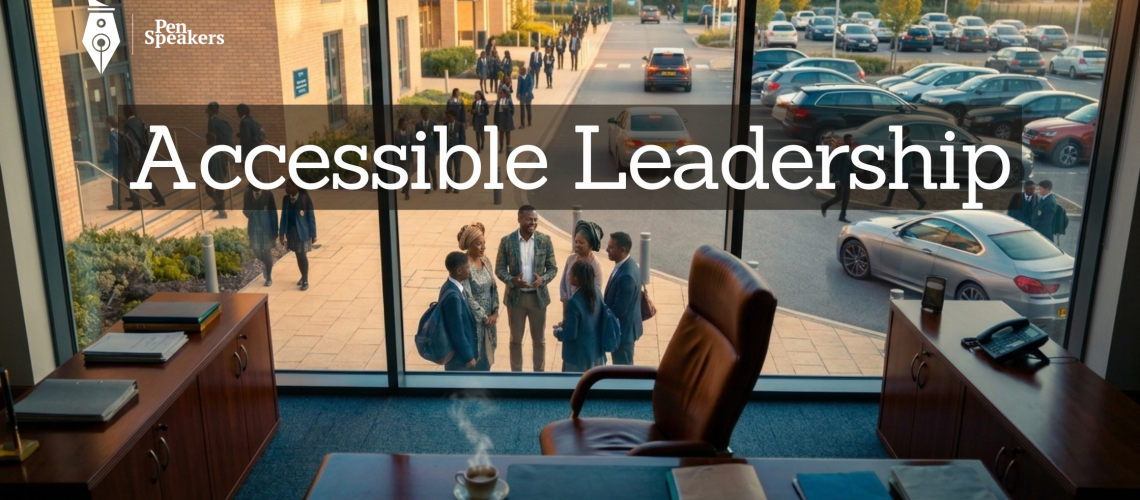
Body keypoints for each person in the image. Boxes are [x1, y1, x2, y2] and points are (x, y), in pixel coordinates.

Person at [495, 205, 558, 372]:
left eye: (535, 220)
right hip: (516, 299)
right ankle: (516, 375)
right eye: (529, 219)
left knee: (539, 340)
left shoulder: (545, 240)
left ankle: (539, 374)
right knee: (515, 340)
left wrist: (543, 279)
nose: (533, 223)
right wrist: (512, 281)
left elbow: (553, 268)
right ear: (519, 219)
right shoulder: (506, 241)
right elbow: (499, 269)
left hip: (538, 299)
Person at [554, 261, 608, 372]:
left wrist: (558, 332)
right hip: (596, 353)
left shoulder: (574, 302)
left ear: (577, 278)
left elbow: (570, 334)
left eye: (571, 274)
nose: (569, 276)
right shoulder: (597, 292)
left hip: (577, 358)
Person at [458, 223, 498, 371]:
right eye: (478, 244)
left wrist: (495, 311)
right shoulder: (464, 265)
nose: (483, 247)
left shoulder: (485, 260)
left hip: (489, 319)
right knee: (475, 358)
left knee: (487, 358)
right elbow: (467, 296)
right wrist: (484, 317)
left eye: (484, 243)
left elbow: (493, 287)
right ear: (469, 245)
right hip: (474, 321)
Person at [604, 232, 642, 365]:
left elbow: (619, 309)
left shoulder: (627, 276)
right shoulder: (627, 264)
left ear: (622, 250)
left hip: (623, 333)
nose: (607, 250)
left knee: (623, 371)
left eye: (610, 247)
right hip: (624, 330)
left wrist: (600, 315)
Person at [441, 251, 479, 371]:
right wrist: (469, 356)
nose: (470, 270)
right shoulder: (453, 296)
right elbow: (457, 331)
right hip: (459, 359)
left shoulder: (449, 286)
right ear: (459, 271)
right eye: (467, 267)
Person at [122, 104, 167, 206]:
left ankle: (157, 199)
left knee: (138, 177)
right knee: (139, 177)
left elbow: (130, 142)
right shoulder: (140, 121)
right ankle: (135, 198)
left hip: (137, 155)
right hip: (146, 152)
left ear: (125, 113)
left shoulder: (127, 125)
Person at [279, 179, 316, 291]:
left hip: (302, 231)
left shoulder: (304, 198)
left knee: (302, 255)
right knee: (297, 255)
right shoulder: (286, 200)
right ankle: (303, 275)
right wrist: (281, 233)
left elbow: (310, 216)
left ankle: (305, 280)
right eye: (286, 186)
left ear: (296, 187)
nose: (286, 188)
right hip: (291, 231)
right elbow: (283, 217)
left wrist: (313, 234)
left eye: (289, 186)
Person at [879, 126, 927, 210]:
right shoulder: (903, 141)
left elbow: (907, 158)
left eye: (901, 131)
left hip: (903, 169)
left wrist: (902, 170)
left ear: (906, 132)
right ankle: (888, 201)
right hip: (900, 168)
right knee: (894, 184)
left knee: (907, 186)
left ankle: (921, 201)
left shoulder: (908, 143)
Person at [560, 220, 604, 304]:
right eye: (576, 241)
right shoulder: (570, 259)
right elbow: (563, 285)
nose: (577, 245)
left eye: (581, 242)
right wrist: (565, 303)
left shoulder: (596, 265)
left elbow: (596, 293)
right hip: (569, 307)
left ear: (591, 244)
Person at [243, 185, 278, 286]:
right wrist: (251, 212)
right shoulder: (248, 194)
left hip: (267, 228)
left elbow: (273, 212)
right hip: (254, 227)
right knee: (256, 250)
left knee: (267, 252)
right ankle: (267, 264)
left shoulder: (268, 194)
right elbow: (245, 210)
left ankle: (269, 277)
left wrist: (275, 230)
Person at [205, 102, 233, 217]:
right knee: (220, 184)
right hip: (225, 153)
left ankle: (221, 206)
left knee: (210, 187)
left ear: (210, 112)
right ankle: (220, 206)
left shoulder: (212, 122)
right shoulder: (223, 122)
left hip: (217, 152)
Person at [821, 134, 857, 223]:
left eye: (852, 140)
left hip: (847, 178)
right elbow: (836, 166)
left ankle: (842, 216)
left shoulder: (850, 151)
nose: (851, 141)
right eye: (849, 140)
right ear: (845, 141)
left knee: (846, 197)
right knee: (839, 196)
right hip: (840, 179)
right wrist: (836, 179)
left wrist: (854, 175)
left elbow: (850, 165)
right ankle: (825, 205)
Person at [100, 115, 124, 210]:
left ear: (109, 124)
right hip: (125, 161)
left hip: (118, 163)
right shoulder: (120, 133)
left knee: (114, 183)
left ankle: (117, 204)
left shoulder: (112, 135)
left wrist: (106, 155)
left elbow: (115, 150)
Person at [204, 131, 229, 218]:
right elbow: (223, 164)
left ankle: (220, 206)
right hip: (221, 176)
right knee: (220, 194)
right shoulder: (219, 151)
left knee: (209, 189)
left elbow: (210, 166)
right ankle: (221, 212)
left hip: (215, 176)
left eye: (206, 139)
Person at [414, 107, 439, 194]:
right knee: (425, 169)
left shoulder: (433, 124)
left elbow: (437, 138)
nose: (425, 114)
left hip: (431, 150)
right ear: (421, 114)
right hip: (422, 150)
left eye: (427, 113)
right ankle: (428, 187)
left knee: (432, 168)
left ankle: (435, 182)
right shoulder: (418, 125)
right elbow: (417, 138)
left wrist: (437, 148)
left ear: (429, 114)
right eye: (423, 113)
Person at [444, 109, 466, 194]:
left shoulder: (459, 126)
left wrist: (461, 150)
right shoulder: (445, 125)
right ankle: (450, 185)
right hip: (447, 150)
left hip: (456, 150)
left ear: (454, 117)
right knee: (448, 168)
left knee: (457, 168)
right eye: (447, 117)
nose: (448, 118)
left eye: (450, 117)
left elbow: (462, 139)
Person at [393, 117, 414, 200]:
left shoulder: (409, 134)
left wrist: (406, 156)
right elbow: (394, 146)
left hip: (407, 158)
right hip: (398, 157)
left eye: (407, 124)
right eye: (404, 124)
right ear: (400, 125)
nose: (406, 126)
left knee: (407, 175)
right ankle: (404, 187)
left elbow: (412, 146)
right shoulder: (395, 134)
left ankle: (407, 193)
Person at [494, 89, 514, 153]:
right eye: (500, 93)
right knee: (501, 134)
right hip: (500, 119)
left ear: (505, 94)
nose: (501, 95)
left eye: (502, 93)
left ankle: (508, 147)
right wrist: (495, 120)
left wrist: (507, 108)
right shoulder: (498, 101)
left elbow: (512, 110)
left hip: (507, 119)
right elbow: (496, 111)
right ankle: (501, 148)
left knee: (507, 133)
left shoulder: (509, 101)